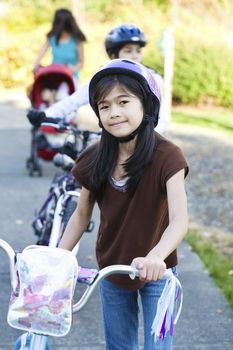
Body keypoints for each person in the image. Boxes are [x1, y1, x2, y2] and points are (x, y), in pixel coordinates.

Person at [59, 59, 189, 350]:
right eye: (104, 106)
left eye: (123, 101)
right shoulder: (94, 158)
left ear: (145, 104)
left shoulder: (167, 156)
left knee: (158, 347)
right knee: (118, 347)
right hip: (113, 269)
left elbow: (180, 219)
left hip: (160, 270)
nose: (114, 112)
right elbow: (81, 215)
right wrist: (57, 259)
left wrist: (156, 257)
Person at [28, 24, 168, 134]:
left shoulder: (153, 77)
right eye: (128, 50)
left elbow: (161, 115)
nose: (135, 56)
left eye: (138, 51)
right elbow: (73, 101)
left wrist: (153, 137)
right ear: (113, 55)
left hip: (145, 142)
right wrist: (45, 114)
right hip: (111, 138)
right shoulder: (103, 77)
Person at [33, 8, 86, 89]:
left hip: (70, 77)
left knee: (63, 91)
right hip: (54, 75)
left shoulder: (77, 40)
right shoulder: (52, 38)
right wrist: (36, 66)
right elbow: (41, 52)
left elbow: (81, 62)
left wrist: (72, 69)